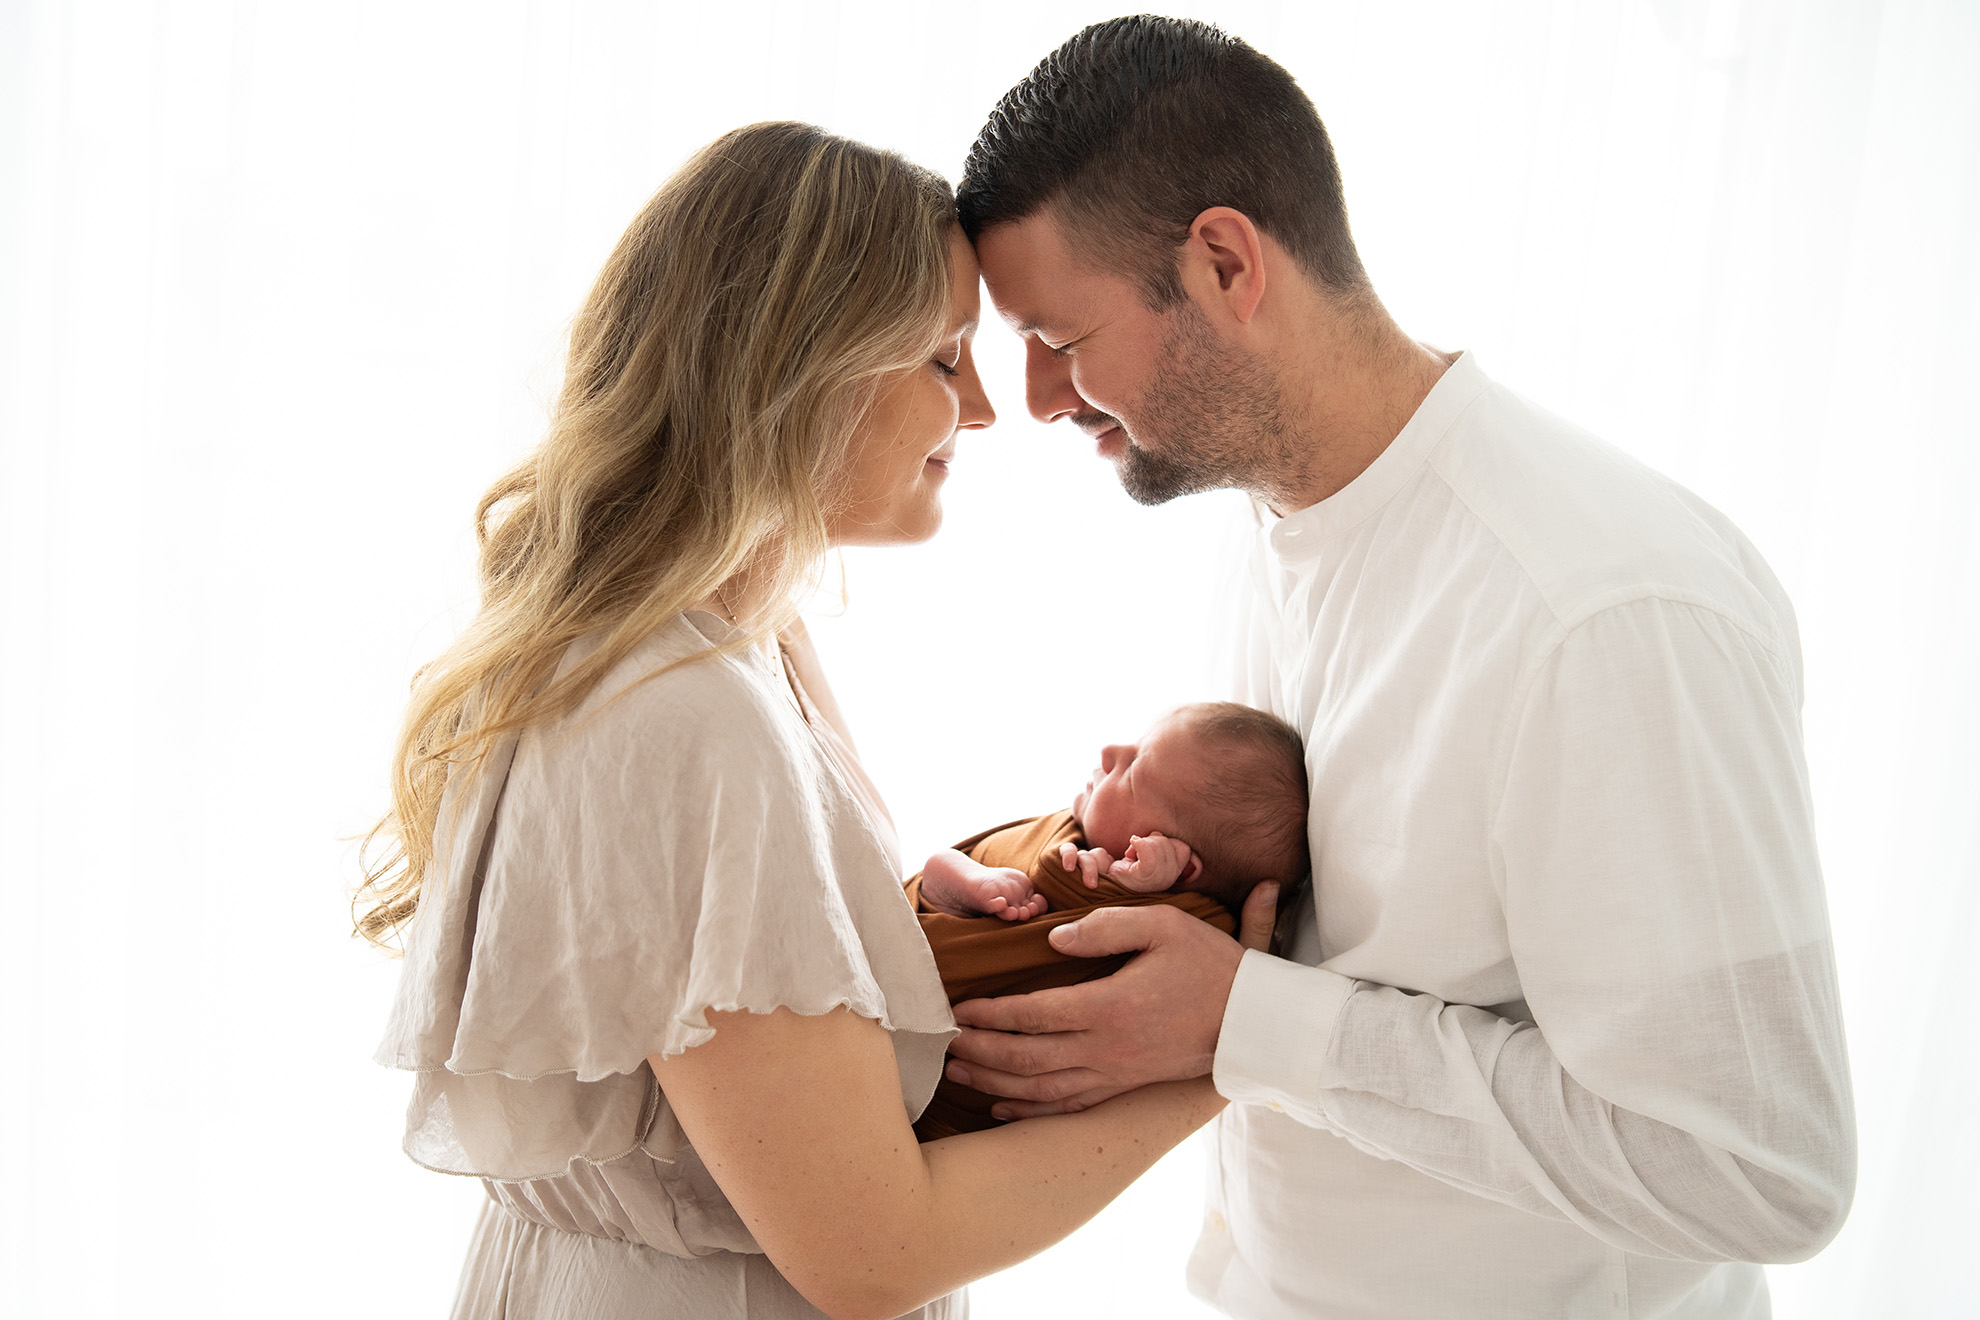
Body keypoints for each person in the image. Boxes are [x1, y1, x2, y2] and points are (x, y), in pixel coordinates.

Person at [948, 17, 1856, 1319]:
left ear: (1223, 265)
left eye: (1059, 337)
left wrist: (1249, 1024)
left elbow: (1758, 1169)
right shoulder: (1269, 530)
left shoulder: (1603, 612)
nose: (1038, 397)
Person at [359, 120, 1278, 1320]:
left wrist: (914, 928)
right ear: (796, 370)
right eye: (944, 359)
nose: (984, 411)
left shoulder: (738, 644)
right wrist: (1221, 1049)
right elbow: (872, 1251)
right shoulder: (680, 710)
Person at [909, 701, 1309, 1138]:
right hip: (933, 980)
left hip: (950, 1032)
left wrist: (1126, 884)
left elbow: (1075, 904)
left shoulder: (1195, 938)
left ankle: (946, 884)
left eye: (1133, 772)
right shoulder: (1081, 836)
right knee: (1012, 873)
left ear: (1177, 865)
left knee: (1050, 873)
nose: (1109, 752)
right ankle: (947, 884)